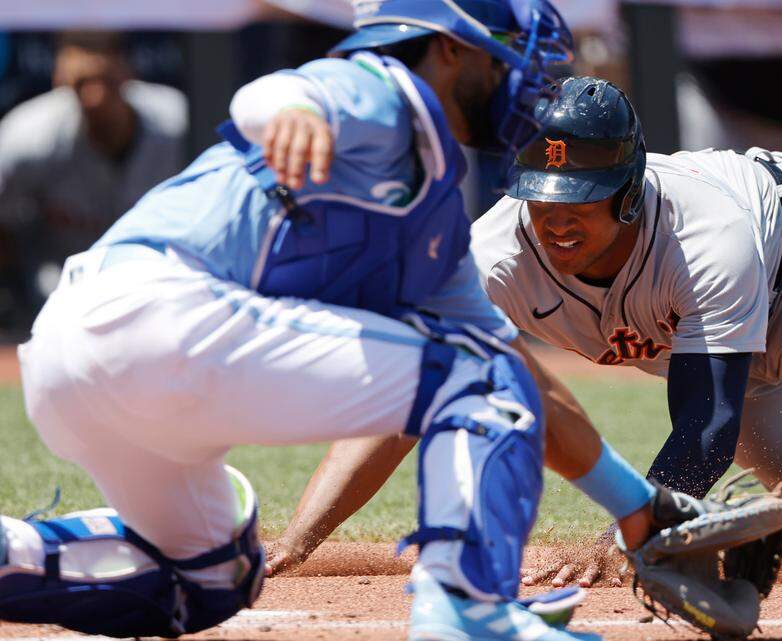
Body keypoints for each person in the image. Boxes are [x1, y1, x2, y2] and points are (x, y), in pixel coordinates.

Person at [0, 5, 743, 639]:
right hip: (153, 314)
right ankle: (467, 608)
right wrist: (291, 113)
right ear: (451, 48)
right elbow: (281, 95)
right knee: (476, 374)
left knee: (210, 577)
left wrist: (641, 511)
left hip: (79, 353)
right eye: (511, 55)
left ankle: (13, 552)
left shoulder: (437, 211)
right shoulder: (384, 93)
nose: (530, 79)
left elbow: (521, 385)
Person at [266, 76, 782, 588]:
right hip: (714, 332)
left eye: (580, 198)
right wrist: (298, 543)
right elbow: (407, 400)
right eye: (541, 193)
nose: (554, 218)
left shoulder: (701, 236)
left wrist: (624, 531)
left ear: (629, 191)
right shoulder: (495, 258)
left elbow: (703, 424)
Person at [0, 31, 186, 313]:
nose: (95, 97)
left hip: (161, 291)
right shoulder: (27, 137)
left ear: (127, 73)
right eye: (82, 83)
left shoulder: (179, 124)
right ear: (60, 81)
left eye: (106, 81)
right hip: (59, 298)